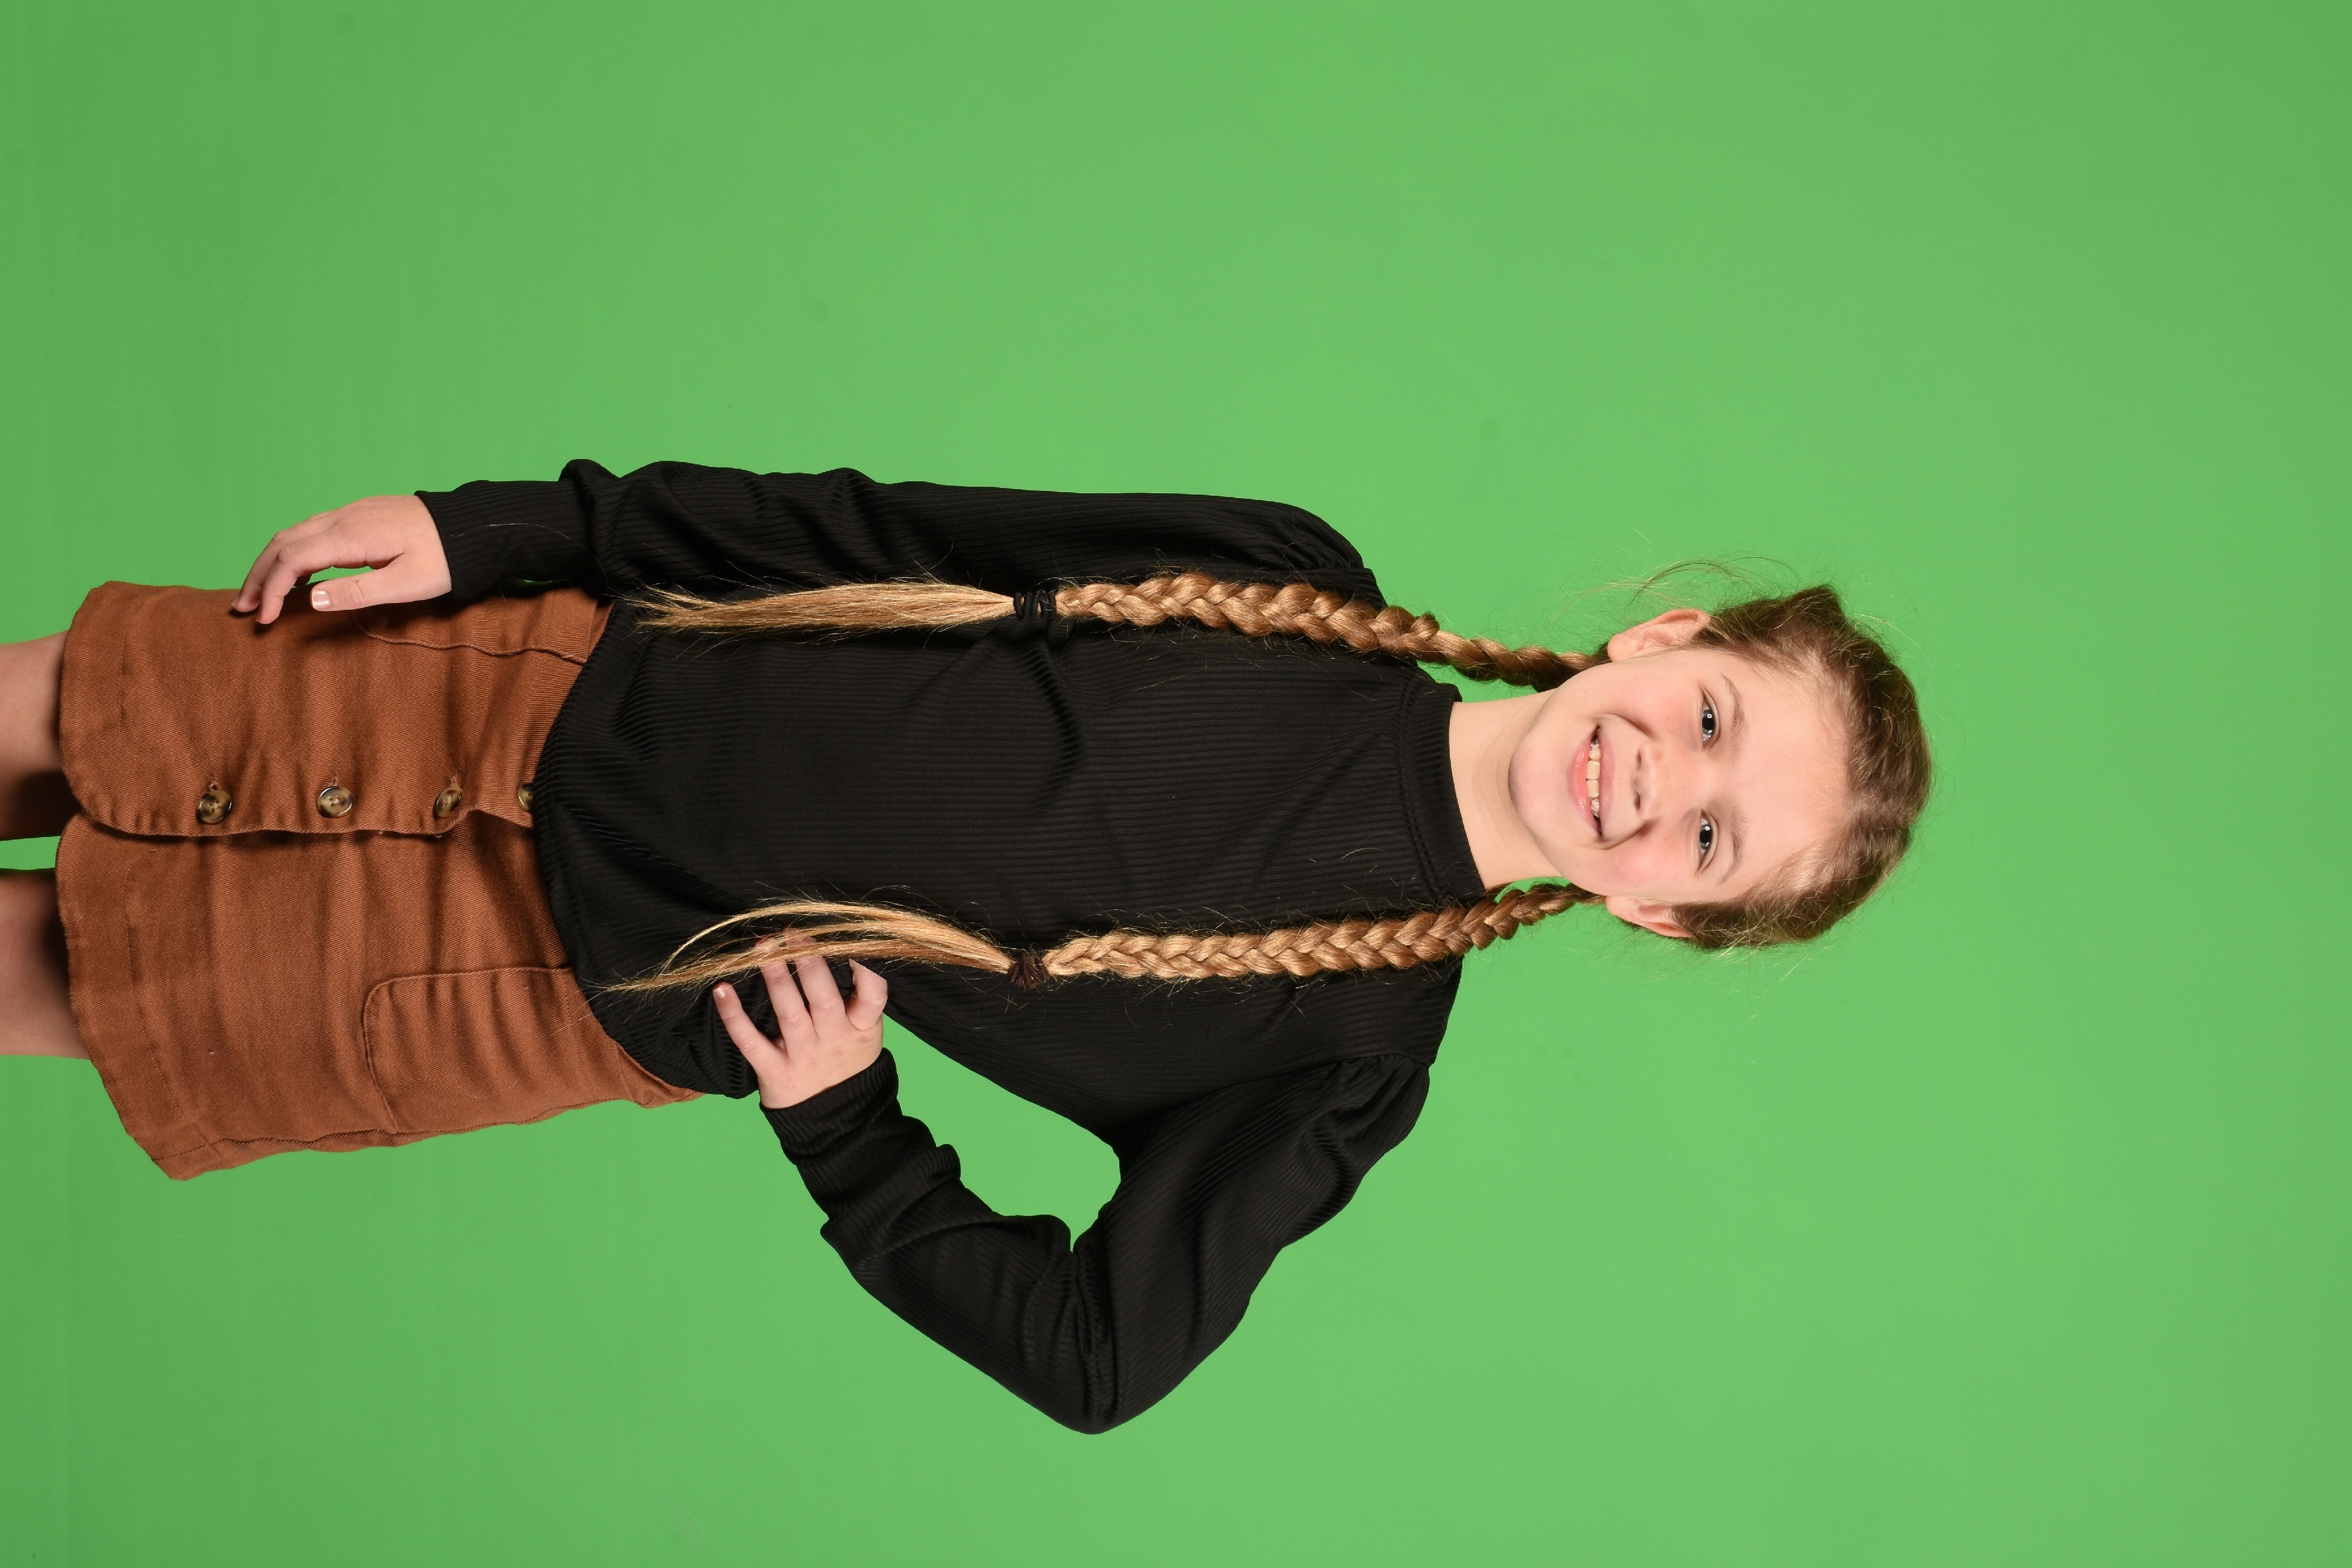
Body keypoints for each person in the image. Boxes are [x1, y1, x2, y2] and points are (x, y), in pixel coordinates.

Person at [0, 461, 1930, 1431]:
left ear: (1663, 908)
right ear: (1666, 643)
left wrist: (848, 1129)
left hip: (504, 988)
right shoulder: (1288, 576)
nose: (1659, 781)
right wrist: (503, 526)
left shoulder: (1347, 1061)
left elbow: (1101, 1356)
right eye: (1708, 720)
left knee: (37, 981)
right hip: (514, 668)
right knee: (46, 709)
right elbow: (865, 525)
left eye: (1708, 837)